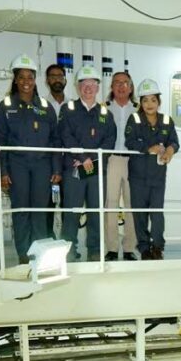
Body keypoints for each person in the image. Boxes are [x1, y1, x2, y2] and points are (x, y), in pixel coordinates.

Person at [0, 54, 60, 264]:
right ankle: (23, 253)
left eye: (30, 77)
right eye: (21, 77)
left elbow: (55, 141)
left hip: (42, 165)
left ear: (35, 79)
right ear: (15, 79)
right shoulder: (5, 106)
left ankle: (39, 251)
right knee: (21, 210)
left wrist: (56, 169)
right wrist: (3, 171)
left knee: (40, 211)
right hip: (17, 165)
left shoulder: (46, 106)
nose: (26, 82)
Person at [58, 65, 116, 261]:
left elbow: (110, 140)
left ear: (98, 87)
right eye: (84, 84)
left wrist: (92, 160)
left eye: (92, 84)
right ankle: (69, 249)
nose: (88, 88)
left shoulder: (105, 113)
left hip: (96, 169)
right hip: (75, 168)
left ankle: (94, 249)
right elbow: (66, 135)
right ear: (77, 86)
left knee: (96, 212)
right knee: (72, 212)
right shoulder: (68, 109)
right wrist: (83, 159)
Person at [124, 78, 179, 260]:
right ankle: (144, 247)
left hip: (158, 175)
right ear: (140, 102)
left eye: (153, 100)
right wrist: (149, 148)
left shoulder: (166, 120)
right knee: (139, 214)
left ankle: (157, 246)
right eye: (145, 100)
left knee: (157, 214)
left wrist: (170, 150)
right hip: (138, 175)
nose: (149, 104)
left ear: (159, 102)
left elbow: (174, 142)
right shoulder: (135, 118)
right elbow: (129, 142)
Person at [105, 71, 137, 261]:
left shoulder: (139, 109)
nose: (121, 86)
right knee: (111, 204)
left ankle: (129, 248)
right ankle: (111, 248)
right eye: (117, 82)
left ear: (130, 87)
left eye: (125, 83)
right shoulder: (105, 108)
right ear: (112, 87)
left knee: (132, 205)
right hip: (112, 160)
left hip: (134, 160)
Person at [45, 63, 68, 238]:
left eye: (60, 76)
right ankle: (48, 238)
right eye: (53, 76)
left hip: (68, 164)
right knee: (48, 204)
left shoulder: (73, 105)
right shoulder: (42, 105)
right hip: (47, 163)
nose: (57, 79)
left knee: (69, 203)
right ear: (47, 80)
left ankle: (68, 240)